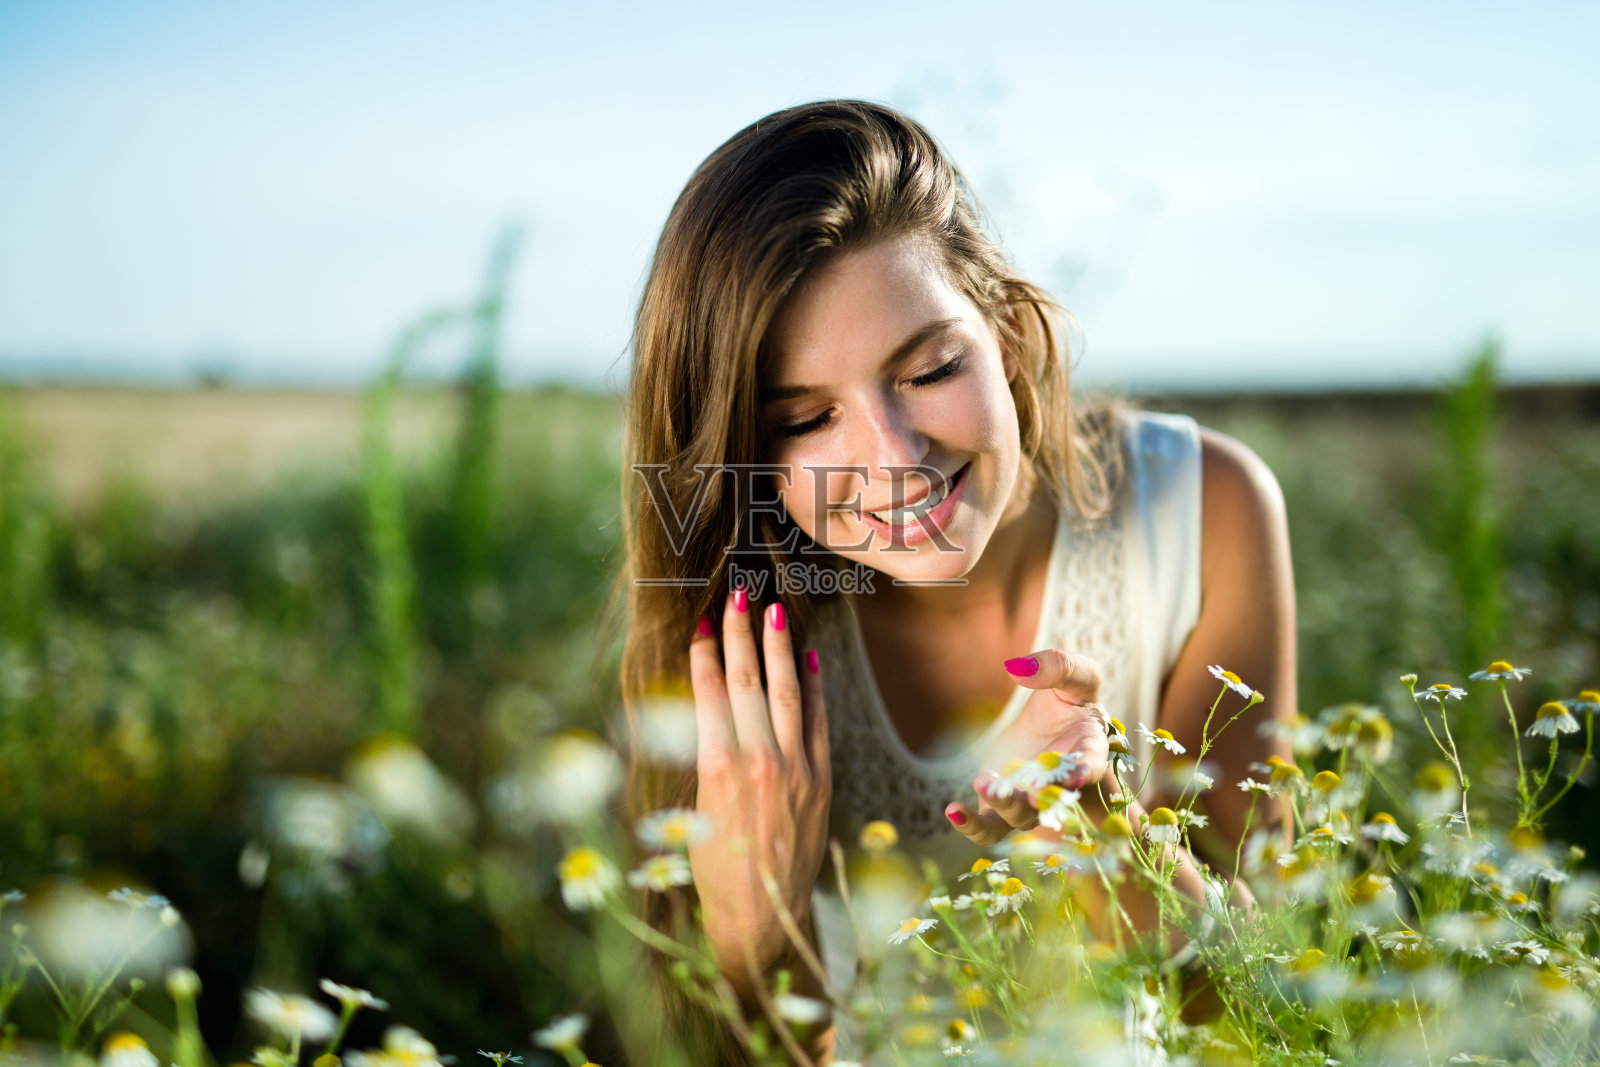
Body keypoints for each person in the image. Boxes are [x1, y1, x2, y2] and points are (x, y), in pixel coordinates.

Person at [613, 99, 1296, 1065]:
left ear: (1007, 338)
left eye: (930, 367)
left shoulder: (1202, 511)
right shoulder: (727, 624)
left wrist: (1101, 827)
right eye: (807, 420)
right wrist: (747, 936)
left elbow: (1258, 1018)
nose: (894, 456)